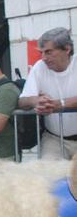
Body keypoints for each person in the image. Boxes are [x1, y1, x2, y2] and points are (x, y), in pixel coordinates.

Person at [18, 27, 77, 159]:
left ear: (67, 49)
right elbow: (22, 101)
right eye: (42, 52)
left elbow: (57, 105)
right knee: (48, 177)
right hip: (54, 138)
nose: (43, 57)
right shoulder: (39, 67)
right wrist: (36, 101)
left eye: (49, 52)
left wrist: (59, 104)